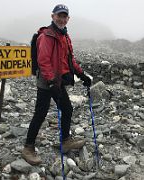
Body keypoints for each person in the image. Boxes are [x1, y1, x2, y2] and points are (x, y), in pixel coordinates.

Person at [22, 4, 92, 165]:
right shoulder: (47, 36)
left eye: (64, 16)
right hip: (47, 81)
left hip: (57, 81)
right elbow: (43, 61)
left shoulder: (65, 36)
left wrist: (81, 74)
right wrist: (52, 82)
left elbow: (69, 59)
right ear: (53, 16)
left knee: (67, 108)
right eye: (59, 16)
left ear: (68, 19)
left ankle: (65, 141)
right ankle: (28, 147)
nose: (61, 19)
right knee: (41, 112)